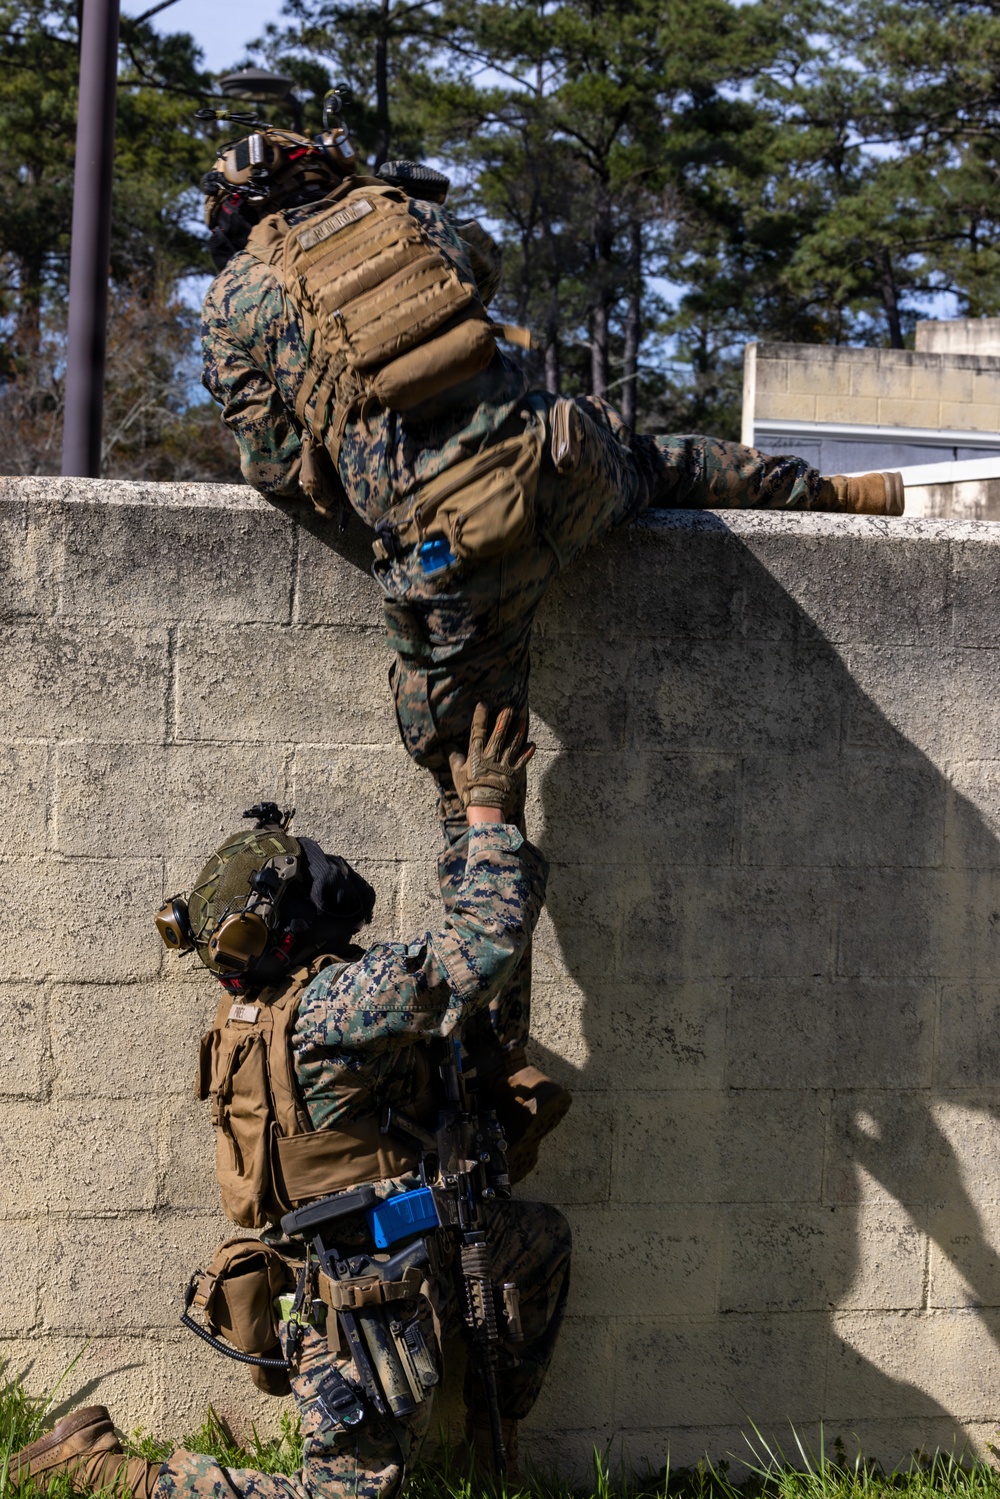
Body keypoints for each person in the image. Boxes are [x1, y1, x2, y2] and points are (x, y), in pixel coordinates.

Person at [197, 116, 904, 1161]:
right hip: (558, 481)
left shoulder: (232, 300)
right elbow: (477, 281)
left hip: (455, 568)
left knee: (475, 804)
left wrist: (372, 508)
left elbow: (269, 465)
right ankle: (828, 491)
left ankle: (496, 1072)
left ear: (230, 218)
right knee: (653, 458)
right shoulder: (404, 215)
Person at [11, 708, 570, 1499]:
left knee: (539, 1241)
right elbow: (479, 944)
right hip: (364, 1291)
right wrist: (483, 814)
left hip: (405, 1242)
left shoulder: (263, 1006)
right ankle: (106, 1469)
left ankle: (490, 1462)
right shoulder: (336, 1004)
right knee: (344, 1497)